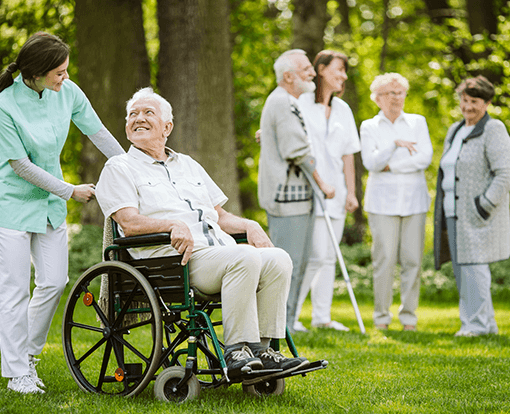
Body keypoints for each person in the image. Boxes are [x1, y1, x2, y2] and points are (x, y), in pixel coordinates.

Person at [95, 87, 309, 385]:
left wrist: (249, 225)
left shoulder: (188, 165)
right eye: (133, 114)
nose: (138, 119)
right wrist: (170, 225)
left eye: (148, 113)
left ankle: (264, 350)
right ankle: (237, 351)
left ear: (167, 127)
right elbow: (128, 222)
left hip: (217, 252)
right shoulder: (119, 167)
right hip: (172, 262)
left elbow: (220, 216)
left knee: (277, 258)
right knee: (244, 255)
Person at [0, 32, 124, 394]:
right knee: (14, 290)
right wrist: (70, 190)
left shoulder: (68, 92)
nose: (65, 77)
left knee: (54, 281)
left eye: (65, 71)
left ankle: (26, 355)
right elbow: (19, 165)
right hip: (11, 205)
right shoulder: (5, 104)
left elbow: (98, 132)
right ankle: (17, 374)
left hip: (48, 206)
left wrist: (132, 167)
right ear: (37, 71)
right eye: (58, 72)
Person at [258, 49, 335, 333]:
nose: (313, 72)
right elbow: (297, 150)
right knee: (289, 267)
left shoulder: (287, 102)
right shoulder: (282, 103)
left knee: (298, 265)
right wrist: (323, 183)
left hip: (297, 199)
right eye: (306, 69)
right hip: (287, 200)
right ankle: (280, 329)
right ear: (288, 76)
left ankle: (286, 327)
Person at [433, 75, 510, 337]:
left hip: (476, 214)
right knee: (464, 271)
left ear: (487, 103)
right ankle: (486, 324)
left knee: (474, 268)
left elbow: (506, 171)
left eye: (475, 101)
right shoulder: (456, 130)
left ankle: (475, 326)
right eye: (464, 100)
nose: (468, 106)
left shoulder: (493, 129)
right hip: (452, 213)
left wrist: (485, 205)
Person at [292, 50, 361, 332]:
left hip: (338, 192)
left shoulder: (343, 109)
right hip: (311, 189)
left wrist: (352, 193)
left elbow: (348, 155)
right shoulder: (301, 102)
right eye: (339, 70)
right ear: (321, 70)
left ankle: (322, 317)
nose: (343, 76)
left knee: (329, 257)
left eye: (345, 71)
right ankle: (290, 317)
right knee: (315, 255)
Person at [360, 73, 433, 332]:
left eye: (401, 92)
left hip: (414, 201)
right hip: (382, 204)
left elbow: (424, 158)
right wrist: (393, 144)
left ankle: (409, 318)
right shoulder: (369, 126)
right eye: (391, 93)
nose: (397, 98)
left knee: (412, 260)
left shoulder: (417, 122)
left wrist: (391, 165)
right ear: (377, 98)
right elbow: (372, 163)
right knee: (385, 260)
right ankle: (381, 316)